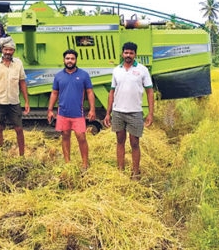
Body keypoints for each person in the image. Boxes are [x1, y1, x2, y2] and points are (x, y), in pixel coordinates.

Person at [103, 42, 154, 177]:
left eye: (131, 53)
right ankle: (120, 171)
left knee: (134, 142)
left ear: (135, 54)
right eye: (126, 52)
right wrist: (108, 113)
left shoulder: (142, 70)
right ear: (122, 54)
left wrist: (150, 113)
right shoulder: (116, 70)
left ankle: (135, 172)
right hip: (118, 112)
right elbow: (112, 92)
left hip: (135, 112)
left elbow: (150, 92)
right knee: (120, 141)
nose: (128, 55)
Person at [47, 49, 96, 170]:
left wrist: (92, 109)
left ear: (76, 60)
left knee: (81, 137)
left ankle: (85, 164)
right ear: (64, 60)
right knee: (65, 136)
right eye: (67, 58)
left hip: (78, 114)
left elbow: (90, 92)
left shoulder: (84, 75)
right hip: (63, 113)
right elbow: (54, 93)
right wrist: (50, 110)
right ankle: (67, 163)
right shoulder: (58, 76)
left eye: (72, 58)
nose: (70, 61)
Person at [0, 36, 30, 156]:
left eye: (10, 50)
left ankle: (22, 155)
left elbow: (22, 82)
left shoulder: (18, 63)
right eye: (6, 50)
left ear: (13, 51)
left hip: (14, 102)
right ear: (2, 50)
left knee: (19, 129)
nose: (8, 52)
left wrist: (26, 102)